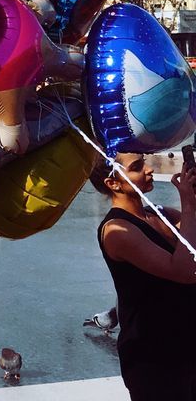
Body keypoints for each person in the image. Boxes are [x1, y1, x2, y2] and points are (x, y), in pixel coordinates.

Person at [92, 153, 196, 399]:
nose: (149, 169)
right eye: (137, 167)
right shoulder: (117, 231)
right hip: (155, 360)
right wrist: (189, 204)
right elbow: (185, 270)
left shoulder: (162, 216)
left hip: (187, 348)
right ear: (112, 183)